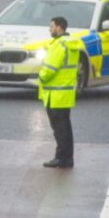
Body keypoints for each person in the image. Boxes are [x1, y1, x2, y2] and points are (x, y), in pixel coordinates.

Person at [36, 16, 80, 168]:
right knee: (65, 128)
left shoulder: (58, 45)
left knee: (59, 130)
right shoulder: (70, 43)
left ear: (59, 27)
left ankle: (61, 158)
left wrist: (40, 76)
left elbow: (49, 69)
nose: (50, 29)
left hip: (55, 94)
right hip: (64, 93)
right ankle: (67, 158)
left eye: (52, 26)